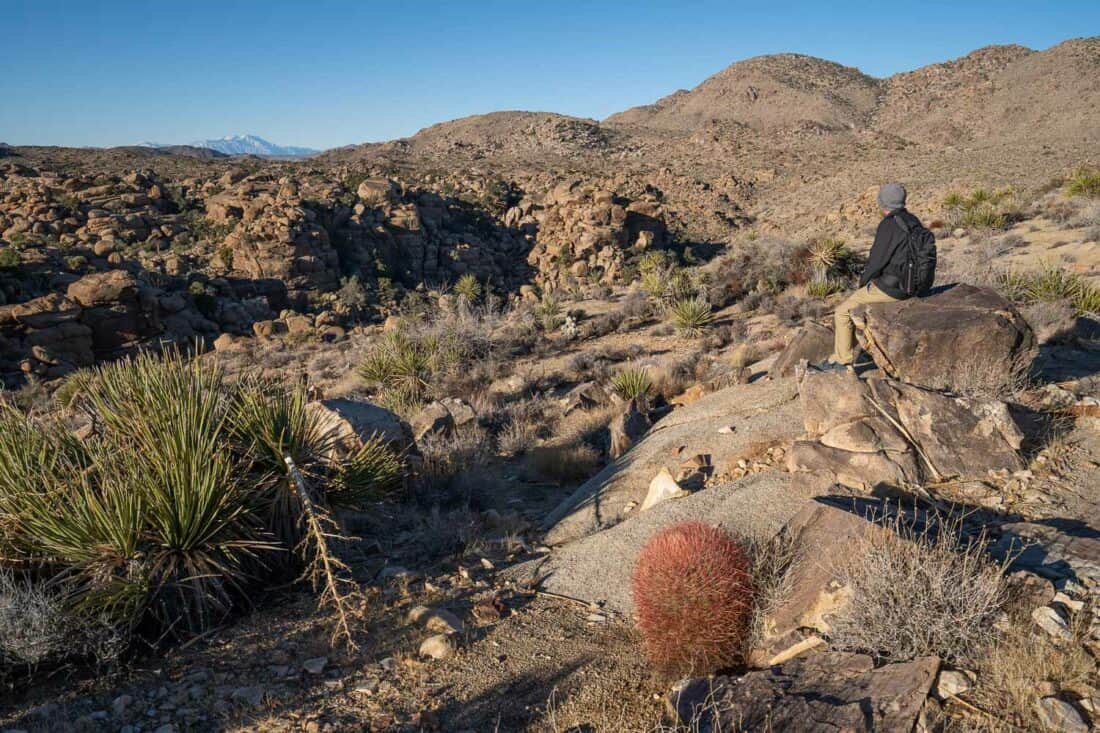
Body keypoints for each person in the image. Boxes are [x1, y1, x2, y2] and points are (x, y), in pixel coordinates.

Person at [820, 182, 933, 370]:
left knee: (842, 312)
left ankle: (842, 360)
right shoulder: (912, 221)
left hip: (892, 288)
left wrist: (864, 283)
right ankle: (850, 352)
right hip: (914, 285)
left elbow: (876, 261)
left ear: (884, 203)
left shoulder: (889, 226)